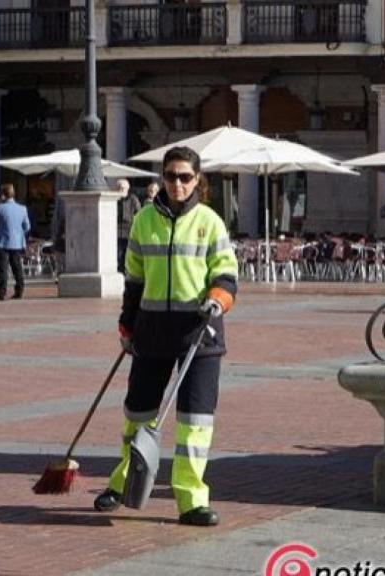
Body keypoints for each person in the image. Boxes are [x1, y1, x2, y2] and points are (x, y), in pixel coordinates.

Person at [95, 146, 239, 526]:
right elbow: (135, 281)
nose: (178, 184)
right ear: (162, 179)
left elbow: (226, 274)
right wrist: (127, 325)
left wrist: (217, 299)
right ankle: (124, 482)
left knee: (195, 421)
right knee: (138, 415)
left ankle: (191, 499)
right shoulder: (144, 221)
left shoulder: (211, 222)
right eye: (171, 176)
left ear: (198, 180)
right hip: (152, 332)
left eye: (185, 177)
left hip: (200, 334)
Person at [0, 183, 31, 301]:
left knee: (3, 269)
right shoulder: (22, 209)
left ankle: (1, 292)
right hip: (16, 243)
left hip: (2, 242)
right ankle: (19, 290)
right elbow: (27, 227)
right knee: (17, 267)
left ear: (3, 195)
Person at [117, 179, 141, 272]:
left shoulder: (133, 199)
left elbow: (138, 213)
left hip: (129, 231)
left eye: (123, 188)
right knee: (118, 255)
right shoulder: (114, 199)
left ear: (128, 188)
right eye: (119, 188)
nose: (121, 190)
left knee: (128, 255)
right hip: (117, 232)